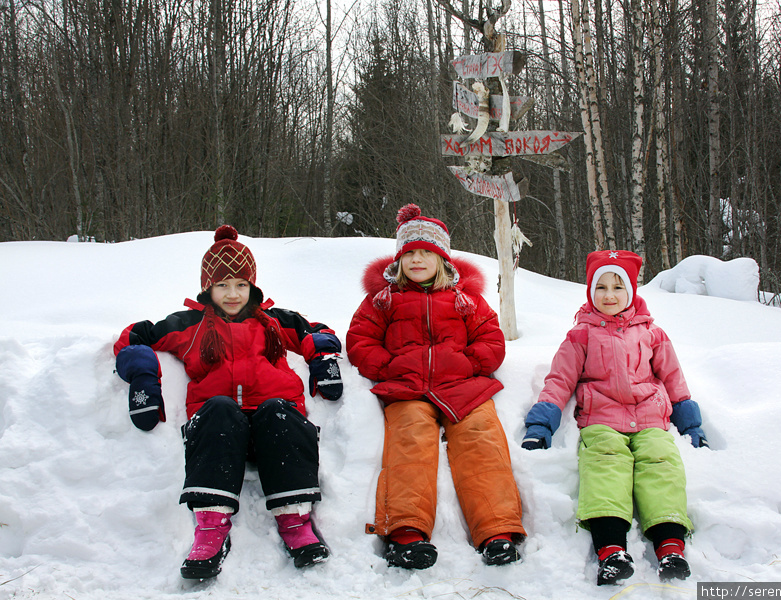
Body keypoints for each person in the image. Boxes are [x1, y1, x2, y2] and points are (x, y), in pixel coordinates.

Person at [113, 225, 344, 580]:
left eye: (240, 284)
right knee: (219, 407)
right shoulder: (187, 325)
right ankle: (210, 526)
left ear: (252, 286)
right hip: (219, 427)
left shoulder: (273, 320)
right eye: (222, 285)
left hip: (274, 423)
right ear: (208, 288)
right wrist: (143, 376)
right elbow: (132, 337)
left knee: (278, 410)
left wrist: (322, 358)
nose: (232, 294)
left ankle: (294, 519)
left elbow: (317, 331)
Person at [346, 204, 526, 569]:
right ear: (398, 260)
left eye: (426, 252)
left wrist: (470, 364)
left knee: (482, 441)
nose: (417, 259)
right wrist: (388, 367)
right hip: (407, 390)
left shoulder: (465, 300)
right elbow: (360, 341)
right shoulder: (384, 300)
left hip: (464, 388)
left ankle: (497, 531)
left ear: (442, 259)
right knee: (410, 442)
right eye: (409, 252)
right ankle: (406, 532)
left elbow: (491, 340)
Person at [521, 250, 707, 585]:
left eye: (618, 288)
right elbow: (560, 379)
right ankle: (611, 550)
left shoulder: (653, 333)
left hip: (650, 417)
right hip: (602, 418)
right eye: (601, 287)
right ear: (591, 292)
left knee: (660, 462)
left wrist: (689, 421)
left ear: (632, 292)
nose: (609, 295)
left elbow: (673, 377)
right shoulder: (581, 335)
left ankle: (670, 545)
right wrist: (541, 421)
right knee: (605, 465)